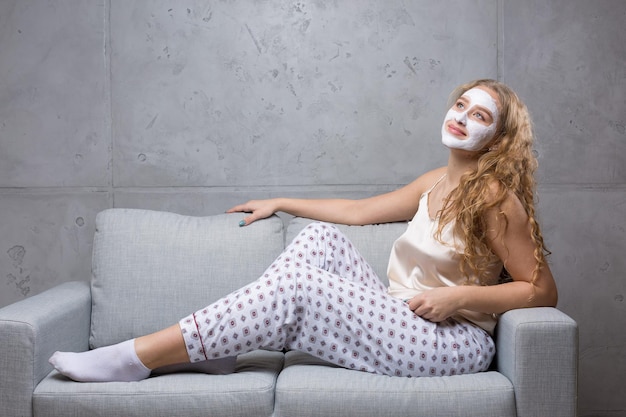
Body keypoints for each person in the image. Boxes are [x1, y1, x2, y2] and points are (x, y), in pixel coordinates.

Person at [49, 79, 558, 382]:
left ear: (498, 139)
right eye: (461, 104)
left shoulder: (495, 198)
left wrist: (460, 298)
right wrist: (282, 201)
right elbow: (360, 212)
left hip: (451, 340)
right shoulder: (435, 180)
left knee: (300, 288)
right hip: (402, 314)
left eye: (481, 115)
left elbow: (542, 290)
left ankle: (137, 358)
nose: (463, 117)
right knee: (319, 239)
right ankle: (217, 349)